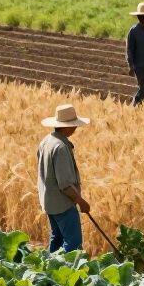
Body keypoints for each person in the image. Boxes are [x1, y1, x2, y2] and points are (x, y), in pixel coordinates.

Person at [36, 103, 91, 253]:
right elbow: (65, 185)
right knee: (73, 245)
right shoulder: (60, 147)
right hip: (63, 204)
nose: (75, 128)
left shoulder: (46, 141)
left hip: (48, 201)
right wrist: (81, 202)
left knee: (57, 238)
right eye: (73, 125)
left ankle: (49, 270)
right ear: (64, 126)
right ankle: (66, 273)